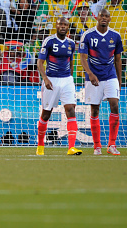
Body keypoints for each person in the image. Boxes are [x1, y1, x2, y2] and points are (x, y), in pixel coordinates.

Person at [79, 8, 123, 156]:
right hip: (94, 76)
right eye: (101, 16)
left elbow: (118, 60)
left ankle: (112, 144)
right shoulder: (88, 35)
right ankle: (97, 146)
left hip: (110, 75)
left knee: (114, 105)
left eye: (106, 16)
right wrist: (90, 74)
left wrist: (119, 80)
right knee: (95, 110)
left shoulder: (115, 36)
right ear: (97, 18)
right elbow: (83, 58)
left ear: (110, 19)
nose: (104, 18)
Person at [36, 17, 82, 156]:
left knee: (71, 110)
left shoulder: (71, 43)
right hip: (52, 80)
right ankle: (40, 145)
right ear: (56, 26)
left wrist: (71, 78)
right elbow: (39, 63)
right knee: (46, 113)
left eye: (65, 25)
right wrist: (45, 78)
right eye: (60, 24)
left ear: (68, 27)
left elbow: (71, 61)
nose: (62, 26)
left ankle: (71, 147)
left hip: (67, 79)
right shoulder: (49, 41)